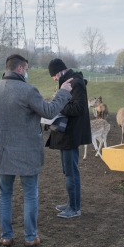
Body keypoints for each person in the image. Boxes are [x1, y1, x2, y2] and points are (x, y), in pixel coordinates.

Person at [0, 54, 72, 247]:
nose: (27, 72)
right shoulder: (28, 90)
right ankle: (30, 236)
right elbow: (49, 112)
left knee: (5, 195)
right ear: (19, 69)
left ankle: (6, 235)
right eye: (26, 69)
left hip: (2, 150)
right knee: (30, 195)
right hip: (27, 152)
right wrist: (63, 92)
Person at [46, 58, 91, 219]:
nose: (54, 79)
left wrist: (58, 107)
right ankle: (71, 202)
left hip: (71, 134)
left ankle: (74, 207)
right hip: (66, 133)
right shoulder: (69, 82)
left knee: (72, 172)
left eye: (54, 76)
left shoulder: (76, 83)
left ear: (59, 72)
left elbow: (79, 108)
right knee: (68, 171)